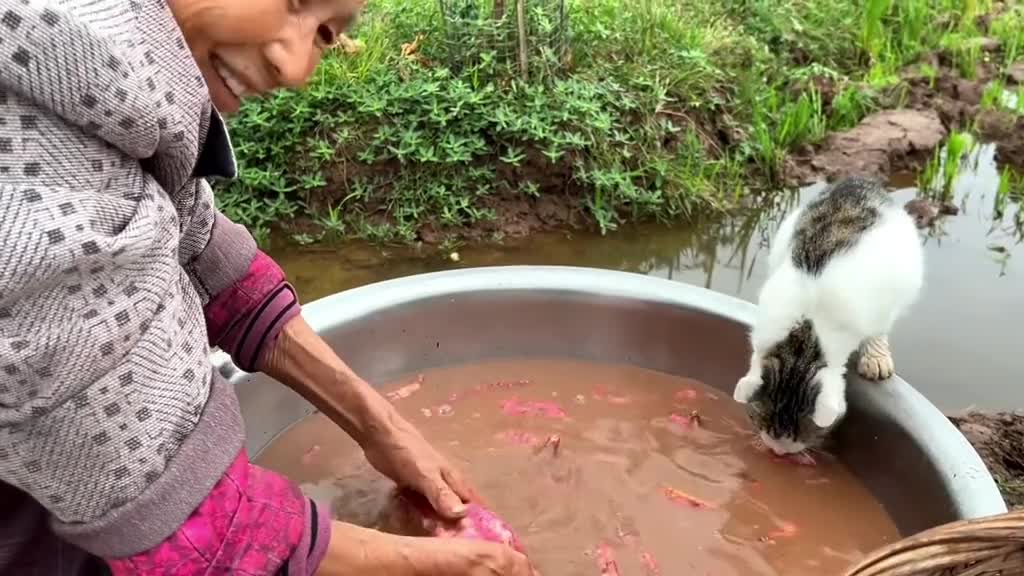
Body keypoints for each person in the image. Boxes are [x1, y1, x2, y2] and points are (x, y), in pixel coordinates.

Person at [0, 0, 535, 574]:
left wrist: (384, 427)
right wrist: (447, 563)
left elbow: (200, 249)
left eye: (325, 33)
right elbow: (190, 534)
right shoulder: (35, 162)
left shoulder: (112, 90)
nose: (295, 64)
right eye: (292, 2)